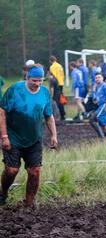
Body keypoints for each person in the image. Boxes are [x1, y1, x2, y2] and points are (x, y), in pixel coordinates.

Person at [0, 64, 58, 207]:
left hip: (34, 139)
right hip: (13, 138)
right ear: (27, 77)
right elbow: (2, 112)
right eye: (34, 80)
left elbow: (49, 116)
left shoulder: (44, 92)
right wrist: (4, 136)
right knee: (11, 170)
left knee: (35, 172)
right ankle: (3, 193)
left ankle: (29, 203)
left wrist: (54, 136)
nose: (37, 84)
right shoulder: (15, 90)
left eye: (40, 80)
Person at [90, 73, 106, 138]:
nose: (97, 79)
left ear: (102, 78)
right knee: (104, 126)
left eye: (99, 77)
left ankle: (101, 137)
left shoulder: (104, 86)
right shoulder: (98, 87)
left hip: (104, 106)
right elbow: (95, 100)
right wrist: (93, 92)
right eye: (96, 78)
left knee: (92, 119)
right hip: (101, 106)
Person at [49, 56, 65, 122]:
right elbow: (62, 75)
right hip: (61, 83)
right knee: (60, 100)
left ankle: (59, 115)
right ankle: (62, 114)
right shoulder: (60, 65)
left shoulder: (52, 66)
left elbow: (53, 76)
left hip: (56, 84)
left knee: (56, 100)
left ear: (50, 61)